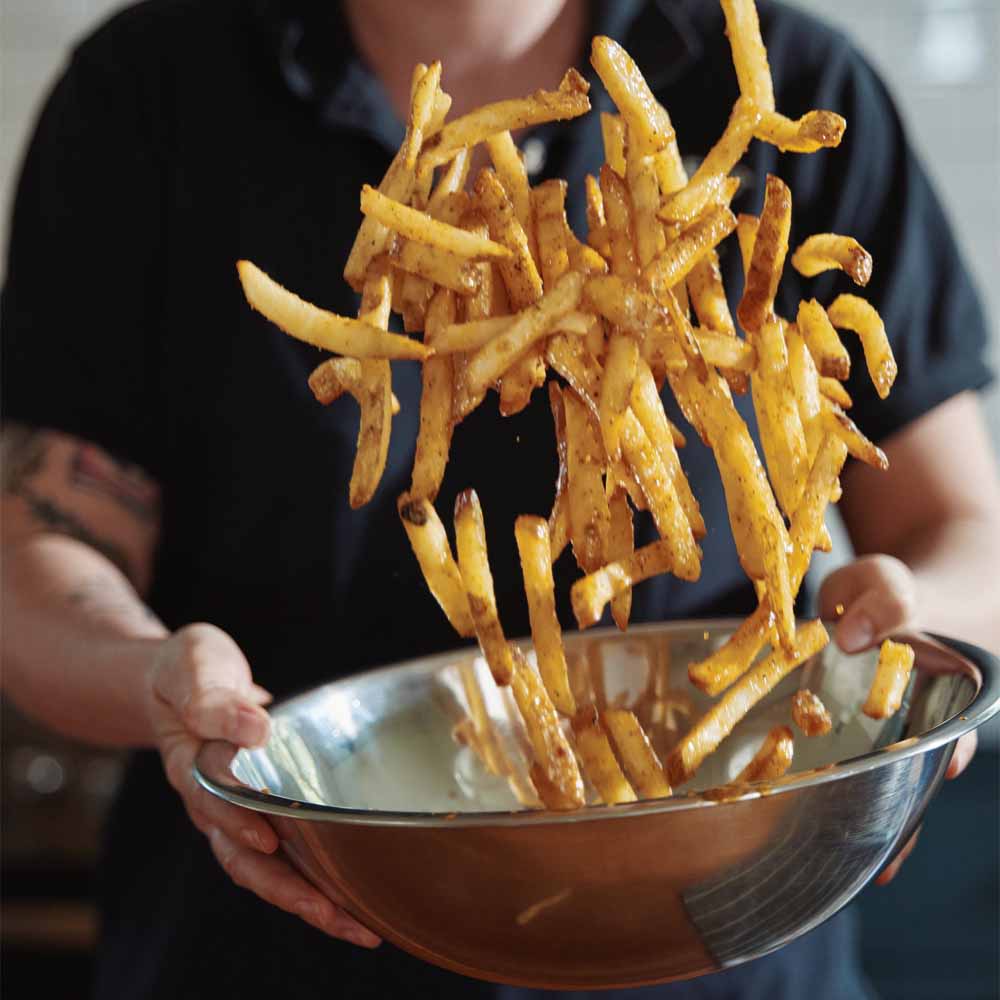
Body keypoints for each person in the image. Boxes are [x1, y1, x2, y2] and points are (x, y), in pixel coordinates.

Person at [2, 0, 998, 997]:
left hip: (724, 929)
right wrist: (157, 677)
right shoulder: (150, 90)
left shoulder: (793, 86)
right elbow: (37, 555)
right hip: (273, 936)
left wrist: (911, 622)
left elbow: (963, 532)